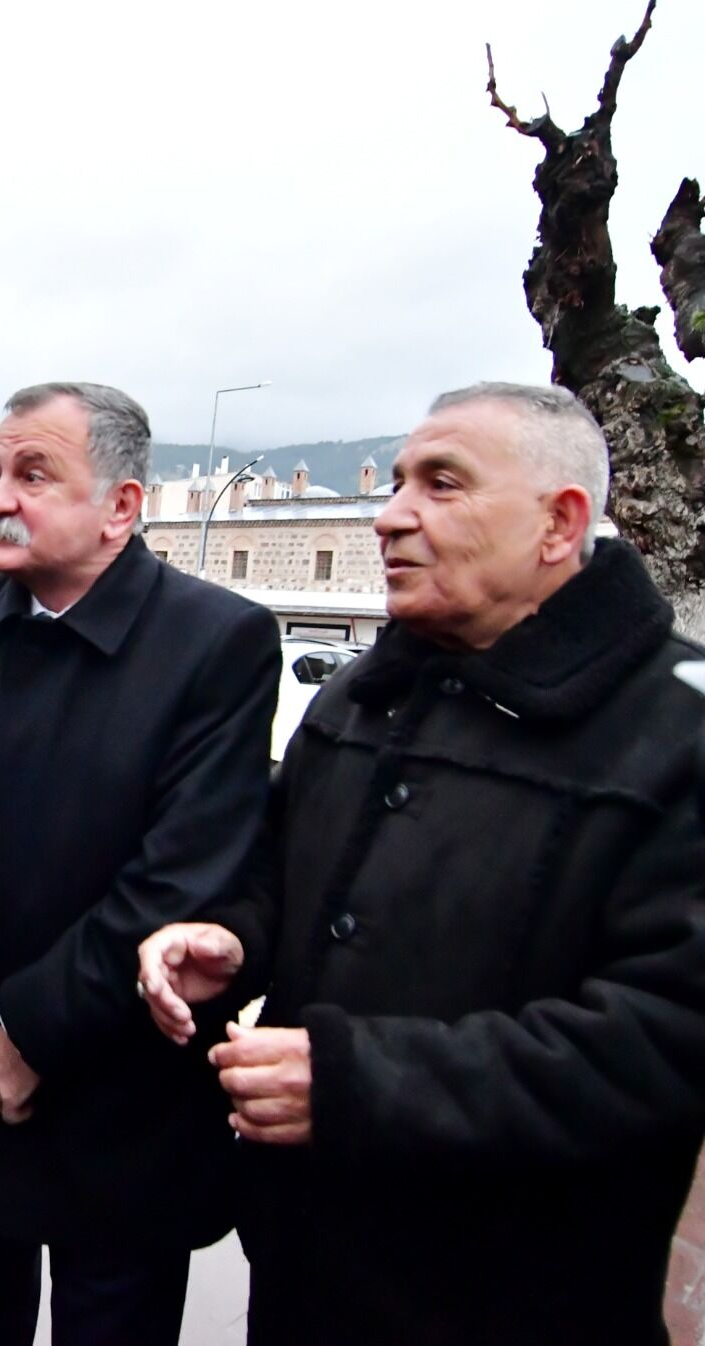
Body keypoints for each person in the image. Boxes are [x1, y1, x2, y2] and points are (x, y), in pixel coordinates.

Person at [139, 382, 705, 1346]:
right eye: (397, 481)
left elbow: (666, 1039)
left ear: (560, 523)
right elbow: (279, 866)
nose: (390, 515)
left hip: (524, 1301)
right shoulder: (363, 694)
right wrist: (234, 937)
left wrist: (358, 1084)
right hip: (307, 1270)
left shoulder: (677, 731)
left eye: (442, 484)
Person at [0, 383, 281, 1344]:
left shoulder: (217, 643)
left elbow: (178, 880)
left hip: (119, 1099)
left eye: (32, 475)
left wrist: (30, 1031)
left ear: (121, 507)